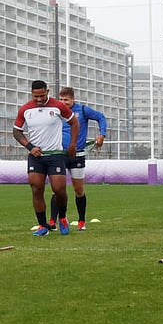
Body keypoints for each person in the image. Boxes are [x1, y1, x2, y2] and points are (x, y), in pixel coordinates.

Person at [13, 80, 78, 236]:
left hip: (55, 155)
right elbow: (16, 132)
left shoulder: (58, 106)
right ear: (32, 94)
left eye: (42, 95)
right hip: (36, 156)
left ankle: (62, 217)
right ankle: (42, 225)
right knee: (36, 188)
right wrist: (30, 147)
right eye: (36, 96)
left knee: (59, 189)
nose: (39, 99)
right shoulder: (25, 109)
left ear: (47, 92)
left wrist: (72, 145)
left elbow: (74, 123)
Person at [48, 86, 107, 231]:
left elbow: (101, 117)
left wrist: (102, 134)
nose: (63, 102)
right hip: (59, 155)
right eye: (61, 99)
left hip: (77, 156)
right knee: (58, 189)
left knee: (78, 189)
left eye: (66, 100)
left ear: (72, 99)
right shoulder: (56, 111)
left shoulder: (83, 110)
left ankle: (81, 221)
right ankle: (53, 221)